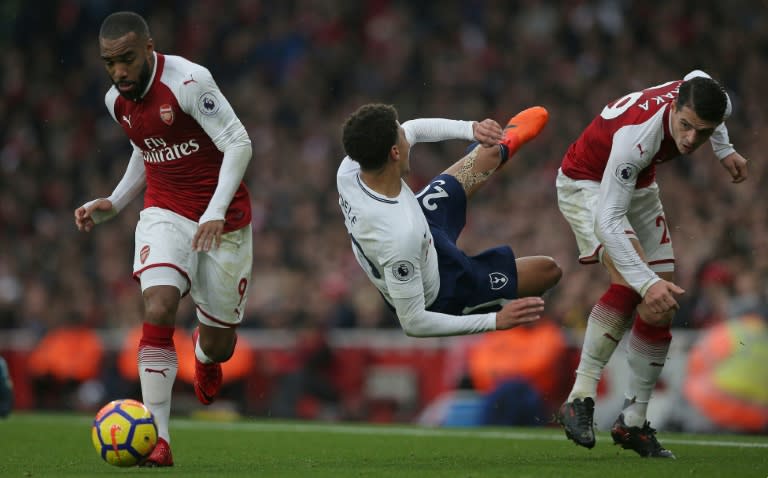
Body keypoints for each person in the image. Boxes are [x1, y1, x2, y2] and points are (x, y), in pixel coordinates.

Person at [74, 11, 253, 467]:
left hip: (223, 221)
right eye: (109, 63)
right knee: (157, 306)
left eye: (127, 59)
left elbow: (238, 143)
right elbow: (145, 148)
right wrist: (114, 202)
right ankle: (159, 436)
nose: (119, 72)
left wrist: (214, 211)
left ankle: (204, 354)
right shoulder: (117, 100)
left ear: (149, 49)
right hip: (164, 212)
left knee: (220, 345)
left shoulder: (190, 81)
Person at [555, 70, 750, 458]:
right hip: (587, 183)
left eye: (705, 133)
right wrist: (645, 281)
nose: (692, 140)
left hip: (640, 185)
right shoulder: (636, 138)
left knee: (661, 309)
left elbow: (698, 74)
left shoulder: (713, 101)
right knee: (633, 285)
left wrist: (724, 149)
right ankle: (579, 397)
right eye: (686, 126)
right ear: (674, 106)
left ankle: (633, 421)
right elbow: (608, 221)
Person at [336, 104, 561, 340]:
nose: (406, 135)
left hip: (423, 222)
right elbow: (413, 322)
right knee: (548, 270)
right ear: (394, 153)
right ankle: (484, 304)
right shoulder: (399, 236)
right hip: (444, 288)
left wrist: (471, 129)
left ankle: (501, 146)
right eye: (401, 135)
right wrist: (494, 321)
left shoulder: (350, 170)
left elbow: (414, 128)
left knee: (489, 153)